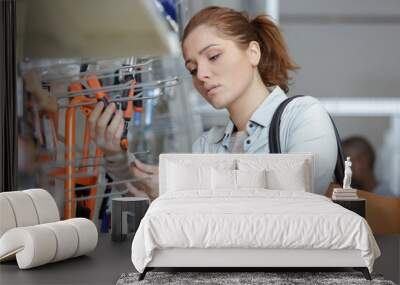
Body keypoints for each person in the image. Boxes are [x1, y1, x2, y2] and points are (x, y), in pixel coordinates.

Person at [88, 6, 338, 199]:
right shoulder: (208, 146)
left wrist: (187, 183)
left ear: (253, 52)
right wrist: (119, 162)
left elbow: (301, 192)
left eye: (214, 56)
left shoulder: (303, 117)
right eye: (192, 68)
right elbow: (171, 219)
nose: (202, 75)